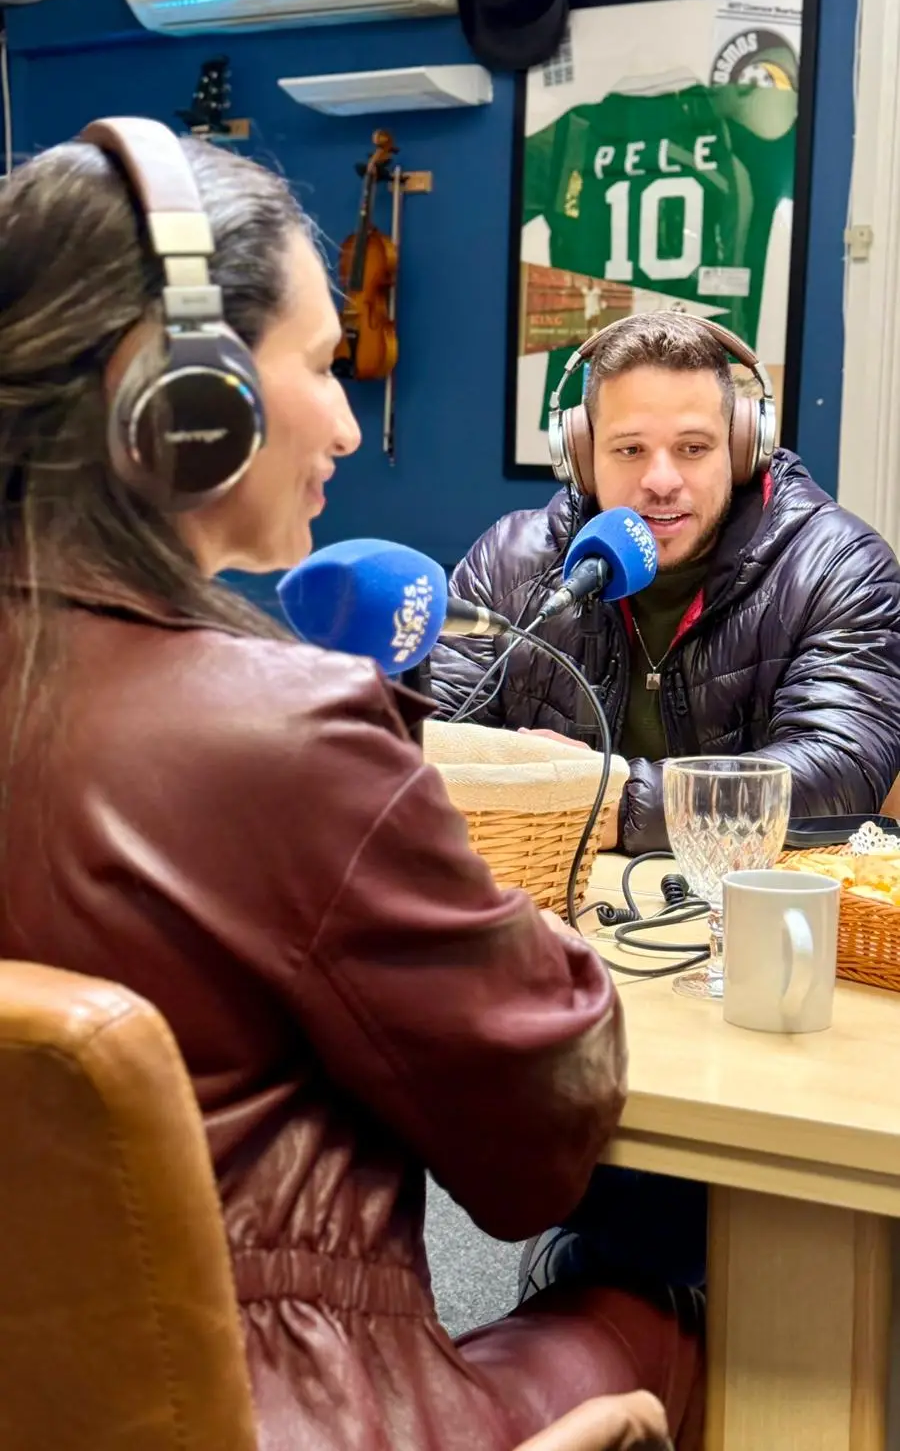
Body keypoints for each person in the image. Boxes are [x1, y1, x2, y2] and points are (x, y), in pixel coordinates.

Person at [0, 120, 702, 1451]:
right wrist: (524, 932)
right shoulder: (289, 732)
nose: (340, 418)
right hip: (288, 1408)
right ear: (185, 401)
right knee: (662, 1307)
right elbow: (535, 1156)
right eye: (322, 364)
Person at [431, 312, 900, 854]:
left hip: (747, 898)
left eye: (693, 448)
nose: (661, 481)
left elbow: (841, 769)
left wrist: (616, 800)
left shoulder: (838, 568)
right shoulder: (507, 564)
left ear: (741, 449)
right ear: (581, 457)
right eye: (630, 450)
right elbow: (424, 741)